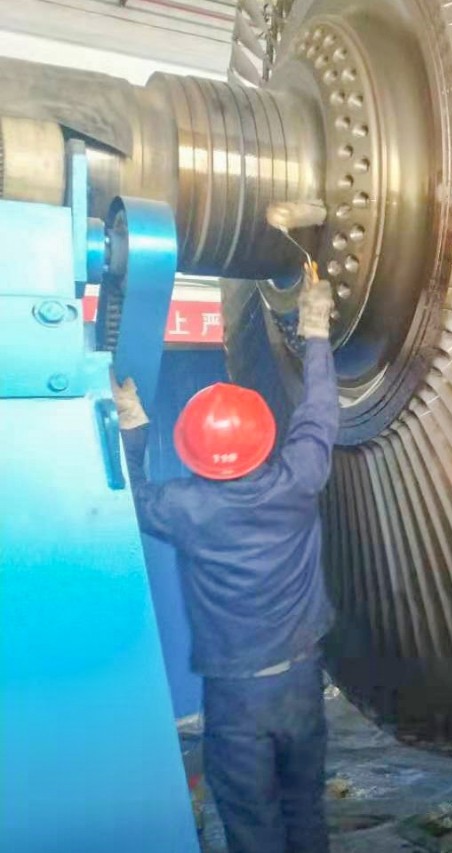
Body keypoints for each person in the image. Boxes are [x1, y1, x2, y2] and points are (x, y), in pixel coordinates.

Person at [111, 274, 339, 853]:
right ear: (264, 438)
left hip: (236, 698)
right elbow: (319, 414)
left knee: (251, 823)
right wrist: (315, 331)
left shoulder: (184, 508)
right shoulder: (298, 481)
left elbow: (132, 497)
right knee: (304, 807)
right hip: (301, 680)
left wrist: (132, 424)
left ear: (193, 451)